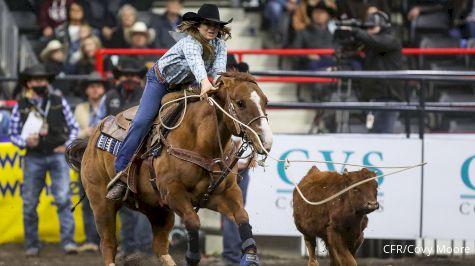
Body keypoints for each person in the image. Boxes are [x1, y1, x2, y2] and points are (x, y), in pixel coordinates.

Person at [106, 3, 232, 200]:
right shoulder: (191, 42)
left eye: (215, 25)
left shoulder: (220, 45)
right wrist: (205, 84)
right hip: (161, 81)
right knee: (142, 121)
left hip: (188, 83)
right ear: (197, 26)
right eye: (207, 24)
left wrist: (215, 84)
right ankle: (120, 172)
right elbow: (198, 66)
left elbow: (218, 72)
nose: (212, 28)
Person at [8, 64, 79, 256]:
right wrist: (24, 141)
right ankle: (32, 243)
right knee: (30, 202)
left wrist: (68, 145)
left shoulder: (58, 100)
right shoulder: (21, 105)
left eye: (42, 79)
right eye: (36, 80)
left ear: (47, 82)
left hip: (56, 154)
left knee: (63, 199)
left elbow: (74, 126)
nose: (40, 82)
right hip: (34, 156)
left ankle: (68, 242)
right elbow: (13, 133)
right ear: (29, 83)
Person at [97, 58, 153, 259]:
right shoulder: (110, 96)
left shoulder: (147, 96)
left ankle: (144, 248)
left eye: (133, 76)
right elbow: (101, 122)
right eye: (124, 76)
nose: (128, 79)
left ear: (139, 79)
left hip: (142, 155)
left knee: (145, 203)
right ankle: (129, 247)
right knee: (126, 204)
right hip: (113, 155)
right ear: (118, 78)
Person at [348, 10, 404, 133]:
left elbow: (378, 42)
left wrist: (356, 31)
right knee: (373, 135)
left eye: (371, 27)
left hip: (389, 96)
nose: (368, 31)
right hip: (373, 95)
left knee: (383, 135)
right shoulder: (369, 42)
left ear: (383, 26)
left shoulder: (391, 39)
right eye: (366, 28)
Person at [73, 72, 107, 252]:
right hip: (85, 158)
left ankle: (108, 240)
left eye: (98, 86)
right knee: (87, 200)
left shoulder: (109, 105)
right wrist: (83, 133)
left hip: (106, 158)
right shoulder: (80, 109)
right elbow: (72, 132)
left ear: (103, 89)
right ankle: (90, 239)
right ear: (86, 90)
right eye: (91, 86)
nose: (95, 89)